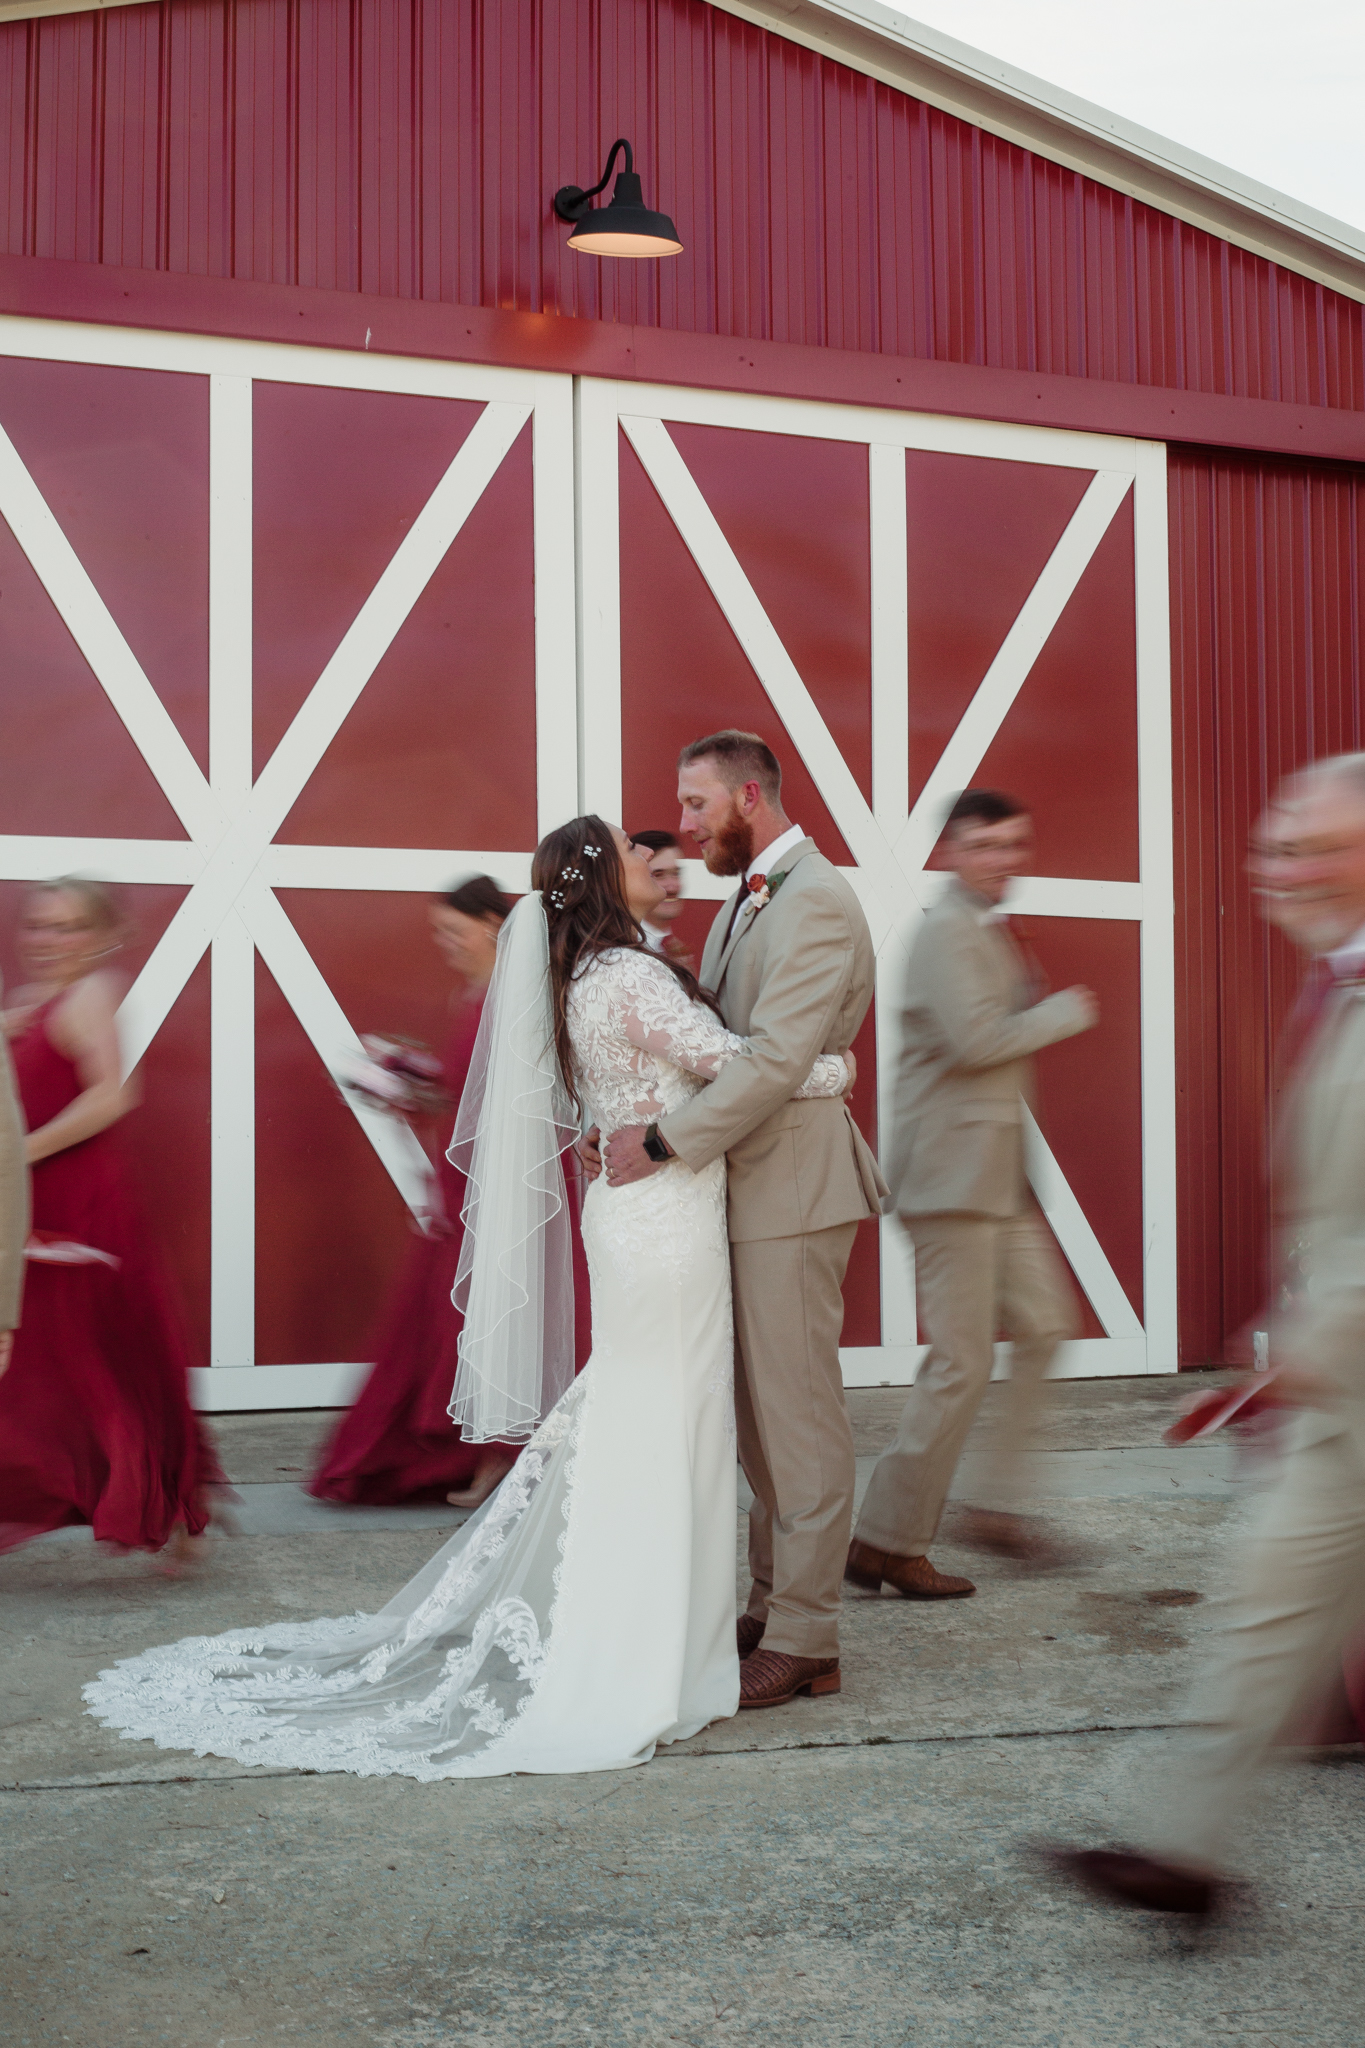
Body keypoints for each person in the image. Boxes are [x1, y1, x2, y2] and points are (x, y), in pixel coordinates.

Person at [83, 819, 855, 1778]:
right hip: (665, 1226)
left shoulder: (575, 978)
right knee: (669, 1420)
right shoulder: (628, 975)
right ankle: (644, 1644)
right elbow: (737, 1065)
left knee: (646, 1413)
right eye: (627, 848)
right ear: (601, 876)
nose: (647, 853)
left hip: (635, 1217)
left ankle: (653, 1627)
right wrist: (834, 1068)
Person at [1046, 754, 1365, 1914]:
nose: (1276, 867)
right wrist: (1289, 1338)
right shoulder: (1337, 984)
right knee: (1265, 1605)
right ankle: (1186, 1856)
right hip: (1339, 1395)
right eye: (1274, 843)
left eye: (1308, 847)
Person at [601, 731, 886, 1710]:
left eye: (696, 804)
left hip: (795, 1189)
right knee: (762, 1419)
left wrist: (662, 1141)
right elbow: (720, 1043)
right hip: (748, 1183)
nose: (682, 827)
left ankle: (808, 1636)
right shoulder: (747, 896)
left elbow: (770, 1060)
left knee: (798, 1416)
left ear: (749, 796)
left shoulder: (818, 901)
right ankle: (772, 1605)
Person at [846, 790, 1097, 1601]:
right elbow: (976, 1041)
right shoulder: (944, 932)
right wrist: (1061, 1013)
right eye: (984, 845)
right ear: (950, 851)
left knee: (1045, 1327)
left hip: (995, 1180)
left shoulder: (983, 928)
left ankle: (991, 1507)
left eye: (1013, 844)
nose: (1002, 859)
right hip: (950, 1181)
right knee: (959, 1362)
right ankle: (884, 1539)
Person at [0, 879, 225, 1560]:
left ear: (99, 936)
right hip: (27, 1198)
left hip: (78, 1198)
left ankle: (152, 1492)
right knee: (37, 1358)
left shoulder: (92, 994)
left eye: (69, 927)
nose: (50, 940)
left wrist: (18, 1156)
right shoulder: (22, 1002)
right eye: (40, 925)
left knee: (93, 1354)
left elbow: (112, 1096)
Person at [310, 875, 521, 1511]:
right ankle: (465, 1449)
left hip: (496, 1176)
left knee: (484, 1312)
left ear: (492, 925)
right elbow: (463, 1092)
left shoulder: (515, 995)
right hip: (458, 1172)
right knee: (445, 1313)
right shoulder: (472, 993)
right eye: (439, 933)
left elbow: (515, 1095)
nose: (445, 943)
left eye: (454, 930)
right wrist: (402, 1082)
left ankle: (499, 1455)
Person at [631, 829, 694, 970]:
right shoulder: (623, 952)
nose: (672, 886)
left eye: (676, 873)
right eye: (658, 875)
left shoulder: (674, 950)